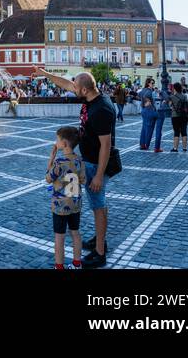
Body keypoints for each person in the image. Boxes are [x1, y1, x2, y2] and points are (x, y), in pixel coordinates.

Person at [36, 67, 116, 269]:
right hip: (87, 161)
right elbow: (67, 84)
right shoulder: (91, 97)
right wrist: (45, 74)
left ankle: (100, 252)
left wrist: (98, 175)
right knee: (97, 204)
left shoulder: (101, 110)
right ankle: (100, 239)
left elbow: (106, 145)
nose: (73, 89)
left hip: (96, 164)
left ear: (85, 90)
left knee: (98, 206)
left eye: (76, 87)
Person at [46, 126, 86, 269]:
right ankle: (77, 264)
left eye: (57, 139)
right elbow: (83, 180)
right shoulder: (79, 160)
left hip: (60, 205)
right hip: (75, 202)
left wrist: (51, 158)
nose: (55, 142)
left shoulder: (59, 162)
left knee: (59, 236)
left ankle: (59, 266)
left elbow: (48, 178)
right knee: (75, 232)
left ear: (64, 143)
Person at [137, 78, 164, 153]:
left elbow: (138, 95)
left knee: (144, 128)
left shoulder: (143, 90)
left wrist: (143, 103)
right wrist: (148, 103)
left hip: (143, 111)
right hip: (149, 110)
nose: (153, 85)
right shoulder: (149, 92)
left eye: (153, 83)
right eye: (152, 83)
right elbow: (147, 98)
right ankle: (150, 146)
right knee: (149, 129)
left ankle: (143, 145)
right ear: (148, 83)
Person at [168, 82, 188, 152]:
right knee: (184, 131)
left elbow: (170, 105)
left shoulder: (172, 97)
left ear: (174, 89)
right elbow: (187, 106)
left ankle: (175, 148)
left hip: (175, 116)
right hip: (184, 116)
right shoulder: (184, 96)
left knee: (176, 132)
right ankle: (184, 148)